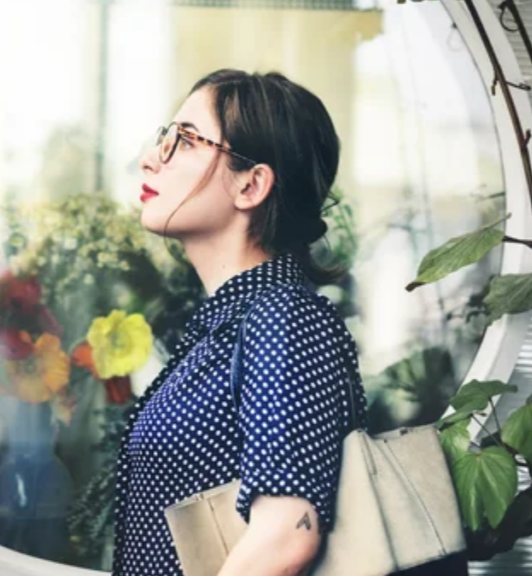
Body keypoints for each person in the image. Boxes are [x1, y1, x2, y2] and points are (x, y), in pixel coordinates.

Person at [111, 69, 468, 576]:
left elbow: (285, 538)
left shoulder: (284, 317)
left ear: (251, 184)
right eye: (164, 138)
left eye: (186, 141)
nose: (152, 157)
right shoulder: (236, 322)